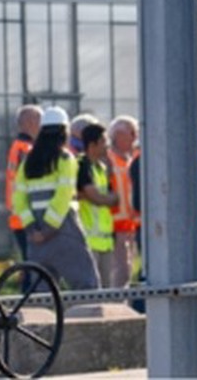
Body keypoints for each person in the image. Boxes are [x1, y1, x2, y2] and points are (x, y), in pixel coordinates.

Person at [13, 106, 100, 291]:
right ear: (64, 132)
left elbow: (19, 199)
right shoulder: (65, 159)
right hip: (63, 228)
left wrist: (32, 229)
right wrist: (48, 229)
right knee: (86, 286)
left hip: (35, 233)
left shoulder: (27, 162)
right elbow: (63, 196)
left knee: (42, 292)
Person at [77, 122, 119, 287]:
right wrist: (102, 198)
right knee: (91, 289)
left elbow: (113, 197)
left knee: (107, 288)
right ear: (92, 145)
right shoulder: (82, 165)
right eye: (103, 141)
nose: (107, 145)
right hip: (88, 240)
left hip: (105, 239)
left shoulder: (101, 168)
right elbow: (97, 198)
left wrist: (100, 198)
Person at [106, 115, 142, 287]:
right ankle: (116, 301)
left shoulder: (131, 160)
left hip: (130, 224)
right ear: (118, 135)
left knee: (127, 268)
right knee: (120, 270)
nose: (135, 137)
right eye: (131, 133)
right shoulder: (108, 160)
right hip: (114, 224)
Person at [4, 105, 42, 264]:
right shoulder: (25, 149)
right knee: (34, 265)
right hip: (27, 216)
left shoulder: (20, 147)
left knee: (31, 263)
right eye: (39, 119)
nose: (42, 124)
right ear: (28, 122)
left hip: (21, 215)